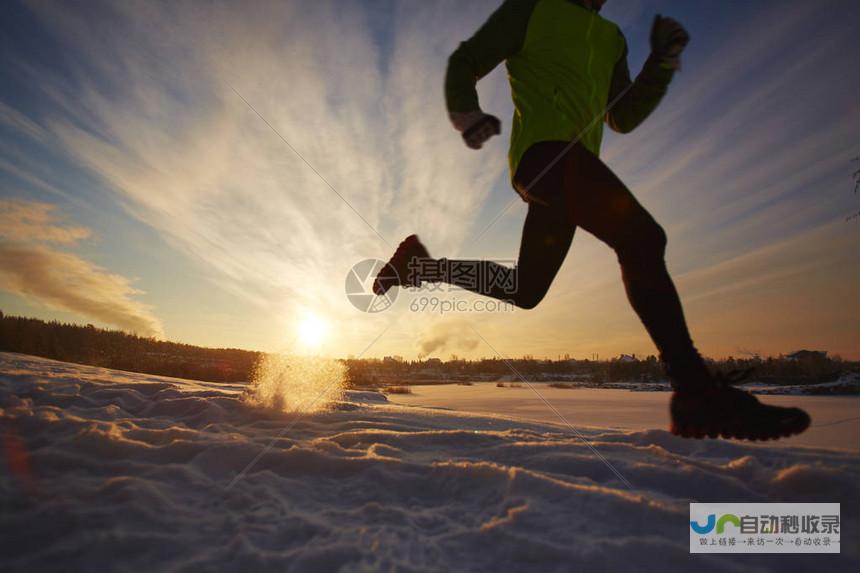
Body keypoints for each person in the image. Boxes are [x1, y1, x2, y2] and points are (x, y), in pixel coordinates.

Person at [373, 0, 810, 440]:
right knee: (642, 238)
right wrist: (467, 114)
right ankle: (695, 392)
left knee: (526, 290)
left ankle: (418, 265)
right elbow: (466, 60)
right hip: (544, 157)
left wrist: (661, 62)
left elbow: (621, 115)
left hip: (573, 173)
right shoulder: (531, 10)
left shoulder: (612, 39)